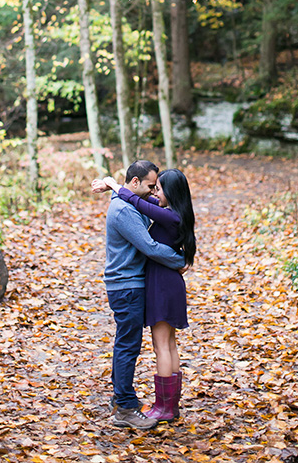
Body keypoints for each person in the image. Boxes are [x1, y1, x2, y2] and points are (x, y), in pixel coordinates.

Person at [94, 166, 197, 423]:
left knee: (154, 345)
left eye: (158, 188)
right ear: (137, 181)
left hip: (156, 283)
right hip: (134, 284)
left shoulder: (163, 213)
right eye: (152, 187)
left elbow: (138, 202)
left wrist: (114, 185)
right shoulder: (134, 210)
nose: (153, 193)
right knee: (137, 344)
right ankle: (130, 403)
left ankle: (158, 406)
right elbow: (149, 244)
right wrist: (112, 184)